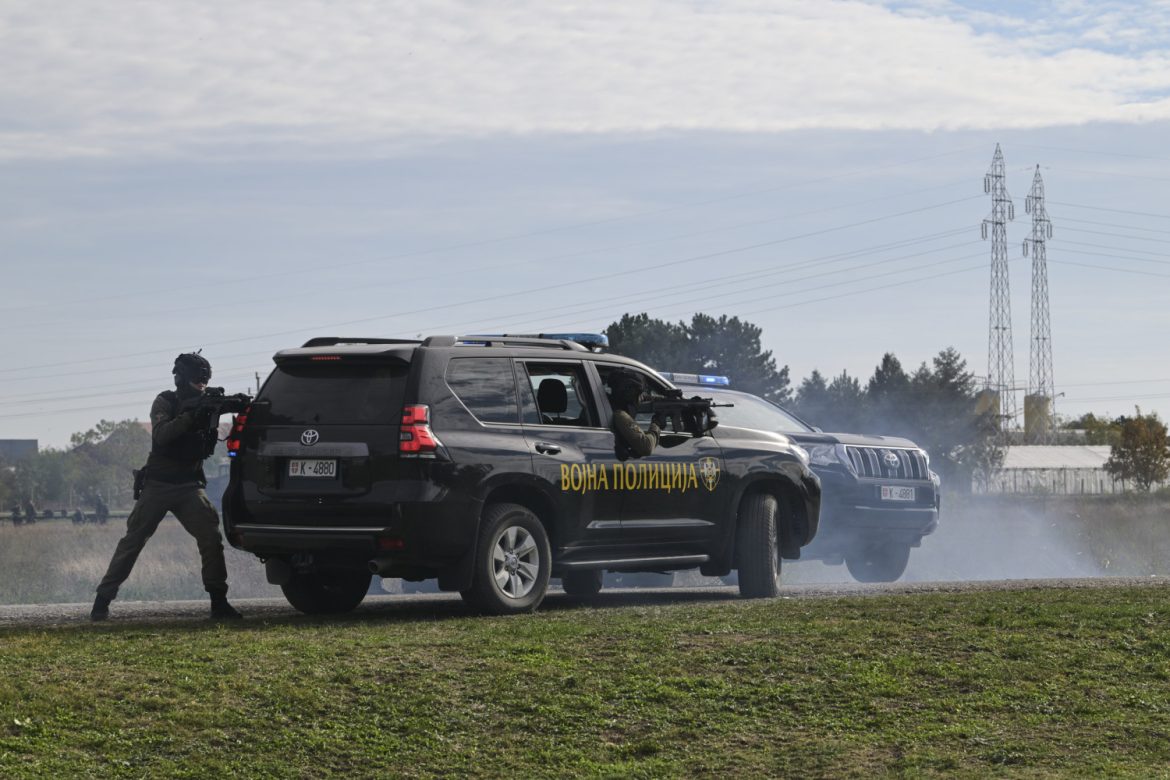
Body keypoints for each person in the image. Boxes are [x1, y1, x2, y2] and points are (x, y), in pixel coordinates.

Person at [92, 352, 243, 621]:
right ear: (181, 378)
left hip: (188, 486)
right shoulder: (166, 402)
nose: (202, 385)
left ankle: (219, 602)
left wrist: (237, 404)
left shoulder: (207, 402)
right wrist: (190, 416)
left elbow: (234, 407)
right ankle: (102, 601)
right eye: (197, 380)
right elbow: (161, 435)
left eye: (204, 381)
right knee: (133, 542)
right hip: (158, 485)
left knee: (211, 538)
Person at [606, 369, 662, 460]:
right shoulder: (620, 415)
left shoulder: (612, 406)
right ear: (630, 395)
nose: (640, 400)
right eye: (638, 394)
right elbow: (646, 447)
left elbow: (645, 398)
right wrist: (656, 424)